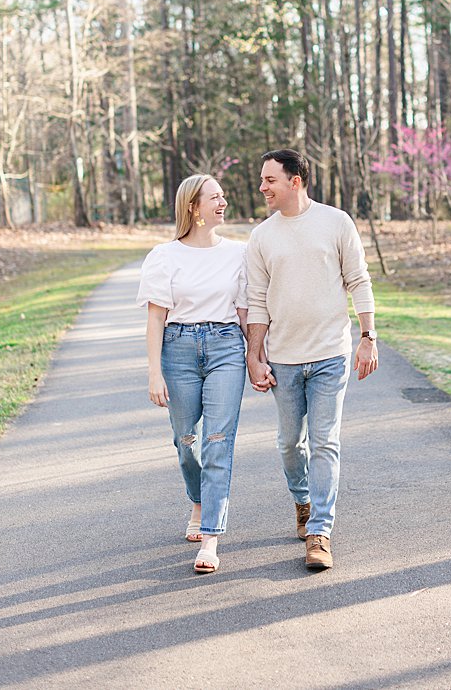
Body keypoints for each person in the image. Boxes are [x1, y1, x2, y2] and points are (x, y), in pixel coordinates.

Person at [244, 148, 379, 572]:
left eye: (270, 180)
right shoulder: (262, 236)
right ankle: (302, 500)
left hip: (329, 356)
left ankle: (320, 531)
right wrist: (255, 354)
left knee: (325, 442)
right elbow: (257, 301)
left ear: (295, 181)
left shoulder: (336, 222)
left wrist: (368, 337)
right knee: (289, 443)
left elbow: (358, 279)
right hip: (283, 359)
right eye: (263, 180)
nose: (262, 187)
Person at [138, 174, 248, 574]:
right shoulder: (164, 256)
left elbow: (244, 312)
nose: (223, 202)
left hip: (225, 347)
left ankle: (211, 535)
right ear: (192, 207)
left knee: (218, 439)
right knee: (187, 442)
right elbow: (155, 318)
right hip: (178, 349)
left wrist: (255, 356)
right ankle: (198, 500)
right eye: (214, 197)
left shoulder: (239, 253)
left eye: (223, 195)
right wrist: (154, 371)